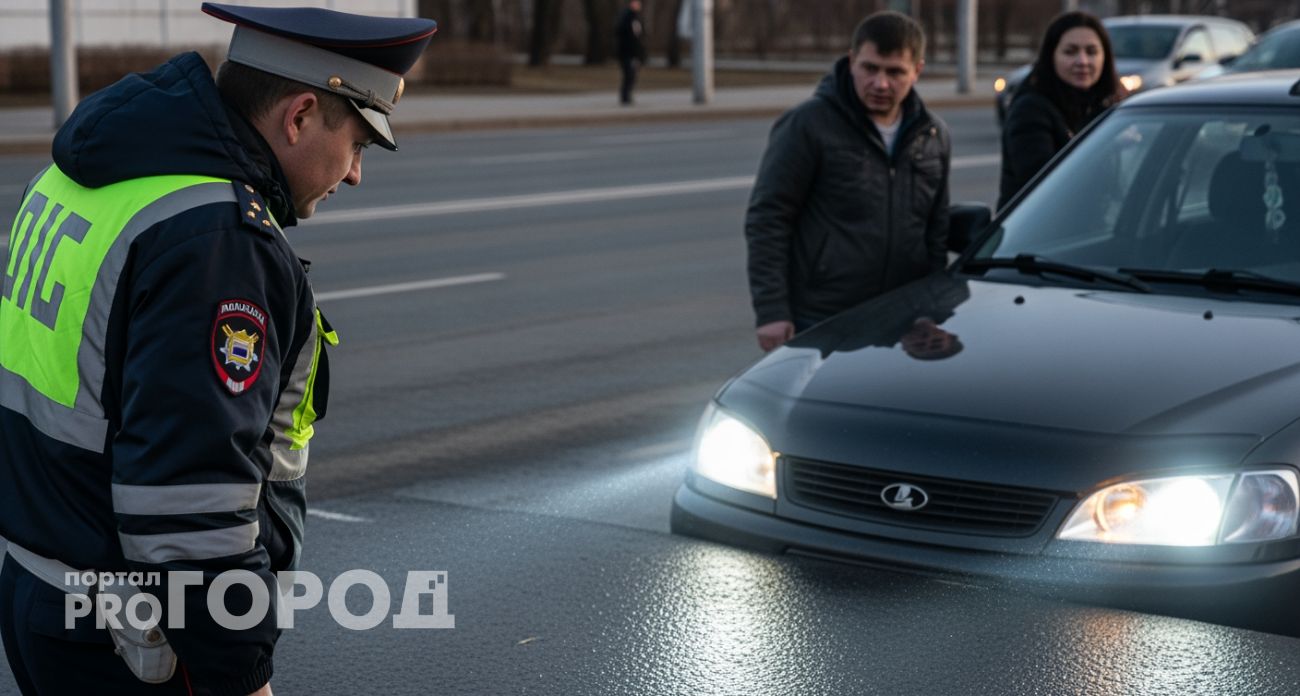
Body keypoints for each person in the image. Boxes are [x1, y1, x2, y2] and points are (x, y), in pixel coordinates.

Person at [0, 3, 435, 694]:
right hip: (129, 639)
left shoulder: (98, 170)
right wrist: (243, 676)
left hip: (40, 587)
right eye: (356, 141)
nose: (355, 173)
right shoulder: (217, 241)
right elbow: (188, 513)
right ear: (297, 117)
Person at [745, 10, 951, 352]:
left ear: (917, 71)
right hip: (823, 316)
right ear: (852, 60)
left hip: (904, 318)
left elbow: (936, 229)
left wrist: (931, 306)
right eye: (870, 68)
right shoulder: (808, 124)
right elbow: (768, 218)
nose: (880, 83)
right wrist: (771, 310)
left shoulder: (933, 135)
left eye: (895, 72)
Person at [997, 11, 1124, 209]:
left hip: (1096, 230)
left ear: (1105, 57)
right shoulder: (1030, 110)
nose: (1082, 61)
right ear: (1051, 56)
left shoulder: (1108, 108)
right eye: (1070, 52)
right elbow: (1045, 188)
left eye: (1091, 52)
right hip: (1038, 234)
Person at [615, 0, 648, 105]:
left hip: (634, 52)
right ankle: (625, 97)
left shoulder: (637, 18)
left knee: (632, 75)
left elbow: (639, 37)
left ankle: (627, 96)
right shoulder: (626, 17)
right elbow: (622, 32)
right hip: (626, 52)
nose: (638, 5)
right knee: (628, 74)